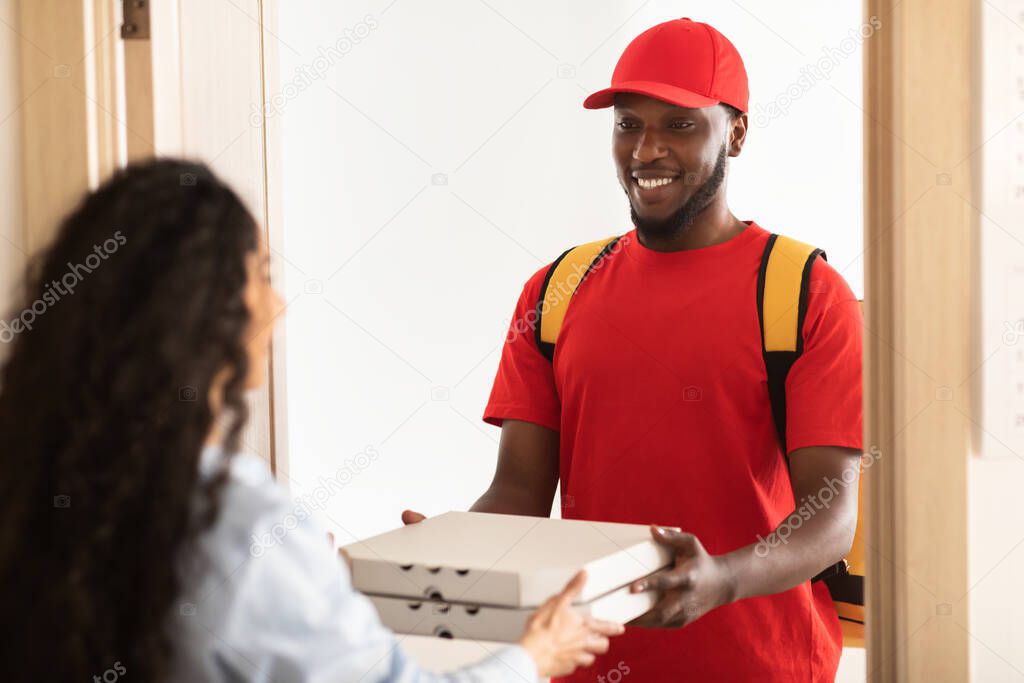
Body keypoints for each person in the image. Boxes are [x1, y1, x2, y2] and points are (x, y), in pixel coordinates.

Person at [0, 159, 622, 682]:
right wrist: (535, 655)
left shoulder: (40, 482)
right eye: (262, 276)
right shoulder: (236, 522)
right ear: (203, 311)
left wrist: (312, 588)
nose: (278, 304)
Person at [405, 16, 864, 683]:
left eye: (679, 124)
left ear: (735, 131)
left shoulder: (801, 291)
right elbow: (518, 492)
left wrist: (722, 579)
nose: (646, 150)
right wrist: (451, 554)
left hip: (760, 666)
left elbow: (830, 517)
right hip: (582, 663)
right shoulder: (557, 291)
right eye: (628, 123)